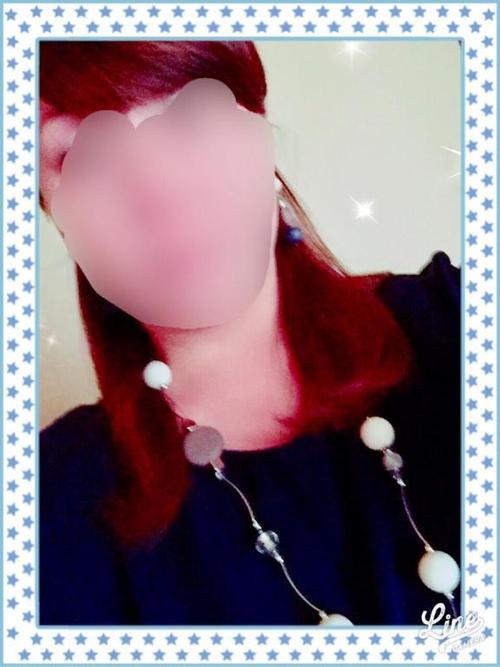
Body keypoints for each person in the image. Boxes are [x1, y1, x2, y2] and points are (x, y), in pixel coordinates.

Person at [39, 41, 461, 626]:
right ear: (55, 219)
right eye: (85, 155)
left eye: (193, 114)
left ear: (263, 135)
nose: (161, 190)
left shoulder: (453, 321)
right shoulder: (46, 511)